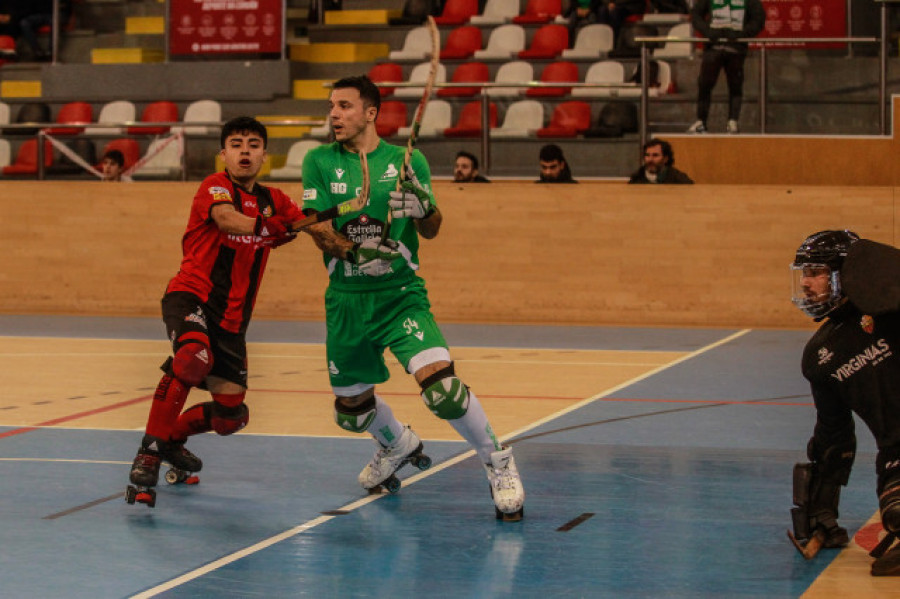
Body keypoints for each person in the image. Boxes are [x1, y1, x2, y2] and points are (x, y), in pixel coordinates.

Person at [300, 75, 525, 521]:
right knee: (351, 410)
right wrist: (353, 252)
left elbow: (433, 227)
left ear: (370, 113)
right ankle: (397, 443)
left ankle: (499, 461)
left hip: (400, 295)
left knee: (442, 390)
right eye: (332, 107)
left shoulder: (408, 161)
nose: (334, 114)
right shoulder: (319, 161)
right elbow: (315, 225)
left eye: (344, 106)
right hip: (346, 298)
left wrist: (424, 206)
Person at [126, 116, 303, 507]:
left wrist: (345, 239)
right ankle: (149, 452)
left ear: (264, 156)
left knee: (231, 417)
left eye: (253, 144)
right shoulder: (215, 187)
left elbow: (307, 223)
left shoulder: (276, 199)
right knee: (192, 358)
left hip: (232, 321)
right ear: (223, 154)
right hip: (191, 295)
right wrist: (268, 228)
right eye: (236, 144)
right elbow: (227, 221)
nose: (245, 151)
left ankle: (172, 439)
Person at [788, 230, 900, 576]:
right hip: (896, 452)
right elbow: (833, 433)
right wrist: (820, 505)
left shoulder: (893, 312)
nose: (806, 284)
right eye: (803, 274)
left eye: (816, 272)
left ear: (845, 273)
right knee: (896, 513)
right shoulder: (820, 357)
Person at [687, 0, 765, 134]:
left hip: (736, 48)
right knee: (704, 85)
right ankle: (701, 121)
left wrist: (742, 34)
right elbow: (695, 14)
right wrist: (708, 31)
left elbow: (759, 18)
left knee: (735, 86)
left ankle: (733, 121)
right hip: (713, 48)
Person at [628, 138, 693, 184]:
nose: (650, 159)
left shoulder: (679, 179)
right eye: (647, 155)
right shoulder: (636, 178)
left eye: (655, 155)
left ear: (665, 159)